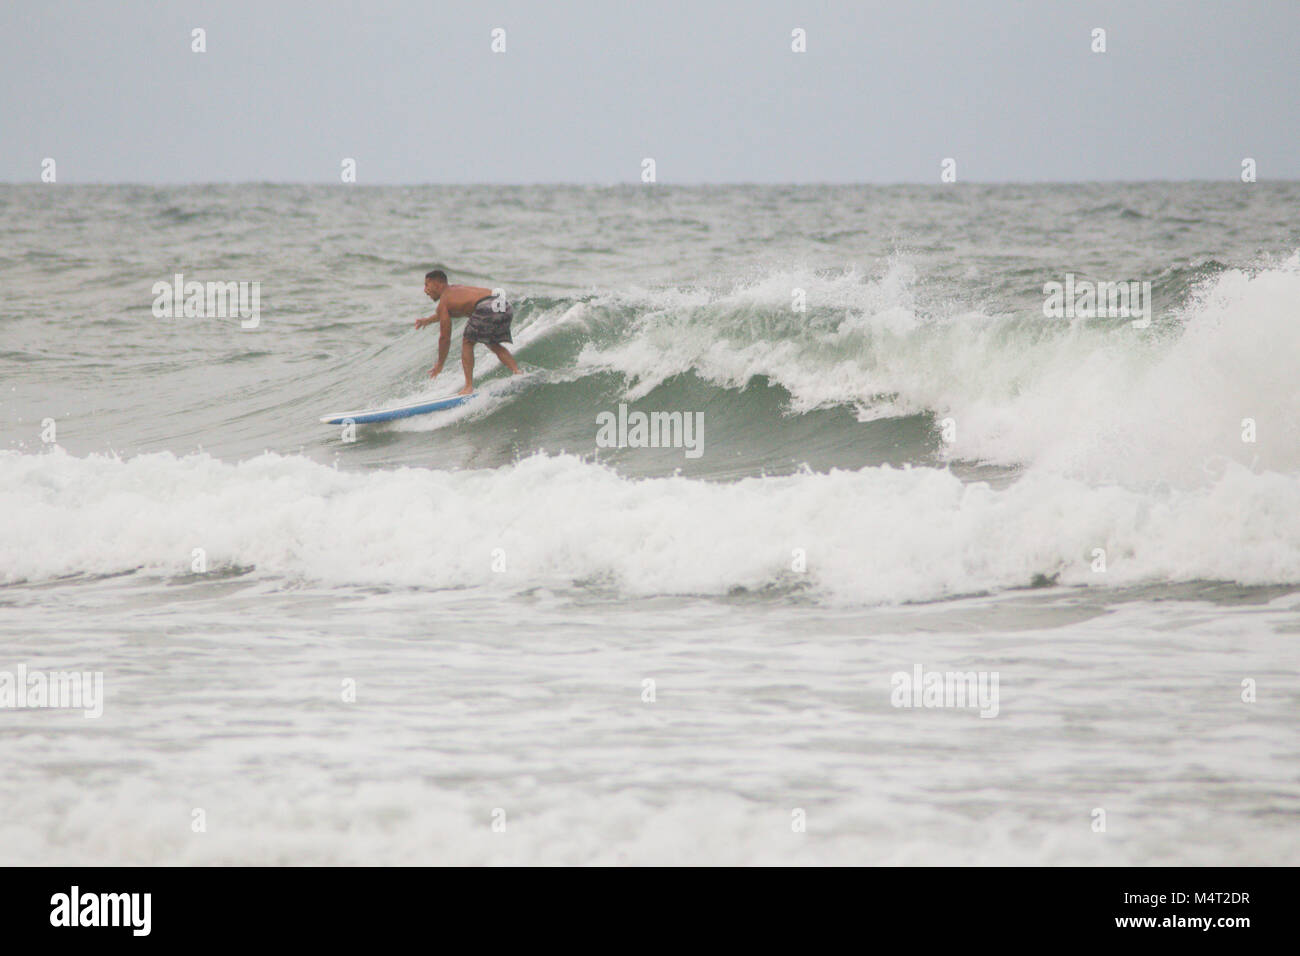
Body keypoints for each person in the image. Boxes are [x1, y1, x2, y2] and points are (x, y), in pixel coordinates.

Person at [415, 270, 521, 394]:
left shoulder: (445, 300)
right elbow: (443, 313)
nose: (425, 290)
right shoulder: (455, 291)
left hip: (485, 305)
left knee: (467, 342)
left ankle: (468, 387)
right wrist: (427, 321)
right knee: (492, 343)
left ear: (438, 284)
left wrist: (440, 364)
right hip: (504, 305)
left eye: (427, 285)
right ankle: (517, 372)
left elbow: (444, 337)